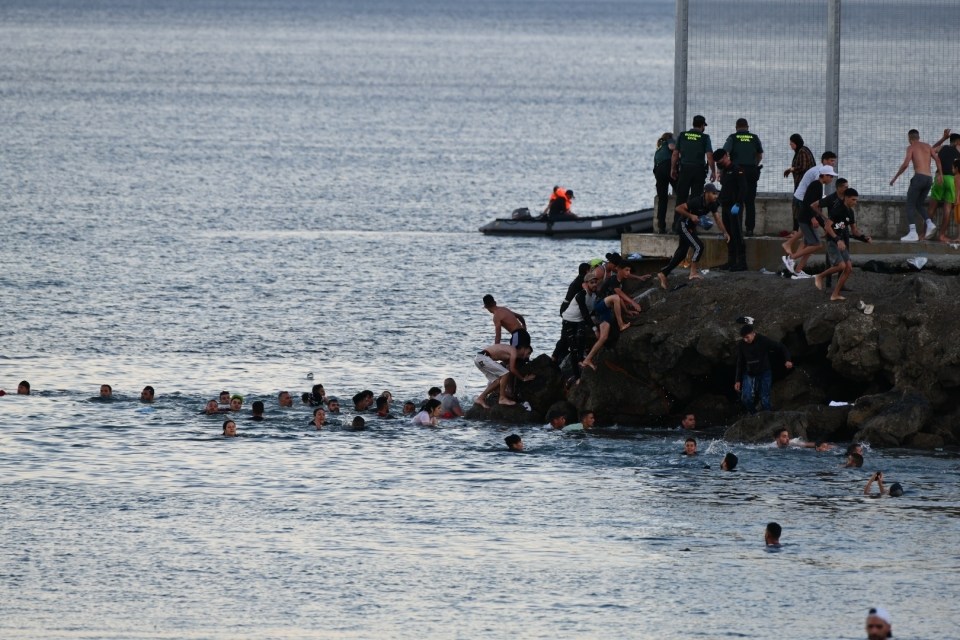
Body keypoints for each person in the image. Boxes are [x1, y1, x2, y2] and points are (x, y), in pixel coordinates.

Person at [657, 183, 727, 289]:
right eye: (713, 194)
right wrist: (691, 216)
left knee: (681, 254)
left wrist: (725, 232)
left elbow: (717, 219)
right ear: (706, 193)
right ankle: (693, 273)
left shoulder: (713, 204)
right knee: (699, 246)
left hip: (690, 228)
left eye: (716, 194)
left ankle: (663, 274)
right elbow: (678, 208)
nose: (715, 196)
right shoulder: (696, 201)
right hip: (683, 225)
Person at [814, 188, 872, 301]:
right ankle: (820, 276)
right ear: (846, 198)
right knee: (841, 266)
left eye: (856, 200)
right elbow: (827, 227)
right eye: (853, 200)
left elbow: (854, 231)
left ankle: (835, 294)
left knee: (848, 268)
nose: (855, 202)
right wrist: (837, 240)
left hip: (841, 242)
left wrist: (865, 238)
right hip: (833, 241)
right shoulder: (838, 209)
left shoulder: (850, 212)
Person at [782, 165, 837, 278]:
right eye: (830, 176)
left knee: (808, 246)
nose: (832, 179)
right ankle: (791, 258)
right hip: (805, 219)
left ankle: (798, 271)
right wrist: (812, 218)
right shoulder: (816, 185)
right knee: (817, 244)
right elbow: (807, 202)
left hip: (808, 219)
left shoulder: (818, 185)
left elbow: (815, 208)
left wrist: (824, 225)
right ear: (824, 175)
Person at [890, 128, 943, 241]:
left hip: (919, 177)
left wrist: (895, 177)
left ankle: (913, 232)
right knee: (919, 203)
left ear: (910, 138)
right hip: (928, 179)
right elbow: (938, 160)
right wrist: (941, 175)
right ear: (918, 137)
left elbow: (905, 164)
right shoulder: (928, 146)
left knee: (910, 204)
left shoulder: (911, 147)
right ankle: (930, 223)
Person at [671, 114, 716, 227]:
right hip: (698, 171)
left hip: (685, 169)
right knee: (696, 200)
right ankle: (691, 227)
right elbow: (709, 156)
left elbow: (675, 154)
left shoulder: (683, 135)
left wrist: (672, 168)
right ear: (702, 126)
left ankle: (677, 225)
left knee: (681, 197)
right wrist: (713, 171)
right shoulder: (705, 137)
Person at [735, 326, 793, 413]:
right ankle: (754, 416)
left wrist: (788, 360)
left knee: (764, 400)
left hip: (764, 372)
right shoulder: (741, 344)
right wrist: (737, 380)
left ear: (753, 333)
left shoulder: (763, 340)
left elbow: (781, 347)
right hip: (750, 372)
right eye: (744, 338)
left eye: (747, 337)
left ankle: (769, 419)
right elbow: (740, 362)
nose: (746, 340)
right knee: (746, 399)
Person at [722, 118, 763, 236]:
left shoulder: (732, 138)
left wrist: (726, 168)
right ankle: (750, 229)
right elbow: (760, 155)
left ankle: (737, 227)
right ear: (747, 127)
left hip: (737, 172)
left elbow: (725, 153)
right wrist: (754, 164)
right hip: (751, 171)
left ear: (736, 127)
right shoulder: (754, 138)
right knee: (750, 201)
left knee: (736, 200)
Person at [473, 342, 535, 408]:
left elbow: (508, 366)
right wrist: (523, 379)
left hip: (479, 360)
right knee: (505, 373)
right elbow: (512, 369)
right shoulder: (513, 351)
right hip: (482, 358)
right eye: (528, 353)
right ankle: (502, 398)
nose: (528, 356)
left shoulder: (509, 353)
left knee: (497, 381)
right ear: (523, 348)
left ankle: (480, 398)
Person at [714, 148, 747, 271]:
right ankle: (731, 261)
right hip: (726, 206)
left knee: (737, 233)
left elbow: (743, 188)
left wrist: (738, 203)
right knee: (728, 234)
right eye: (717, 161)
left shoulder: (737, 170)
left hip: (735, 207)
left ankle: (742, 263)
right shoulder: (724, 171)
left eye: (720, 159)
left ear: (726, 156)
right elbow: (725, 189)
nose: (719, 162)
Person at [929, 130, 959, 241]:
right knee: (947, 209)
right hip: (952, 180)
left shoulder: (942, 148)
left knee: (932, 208)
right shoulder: (959, 150)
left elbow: (931, 150)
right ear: (956, 142)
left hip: (939, 178)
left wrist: (943, 139)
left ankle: (924, 233)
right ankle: (941, 235)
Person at [783, 133, 816, 232]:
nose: (790, 145)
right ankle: (797, 230)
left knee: (798, 206)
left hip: (803, 186)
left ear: (796, 143)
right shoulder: (802, 150)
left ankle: (796, 231)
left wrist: (791, 169)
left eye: (792, 143)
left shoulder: (802, 151)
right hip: (802, 185)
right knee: (800, 207)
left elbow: (803, 167)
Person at [654, 131, 677, 233]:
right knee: (681, 193)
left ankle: (661, 227)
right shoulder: (669, 139)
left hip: (658, 171)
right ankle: (676, 225)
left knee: (662, 199)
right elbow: (672, 147)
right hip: (668, 166)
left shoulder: (658, 149)